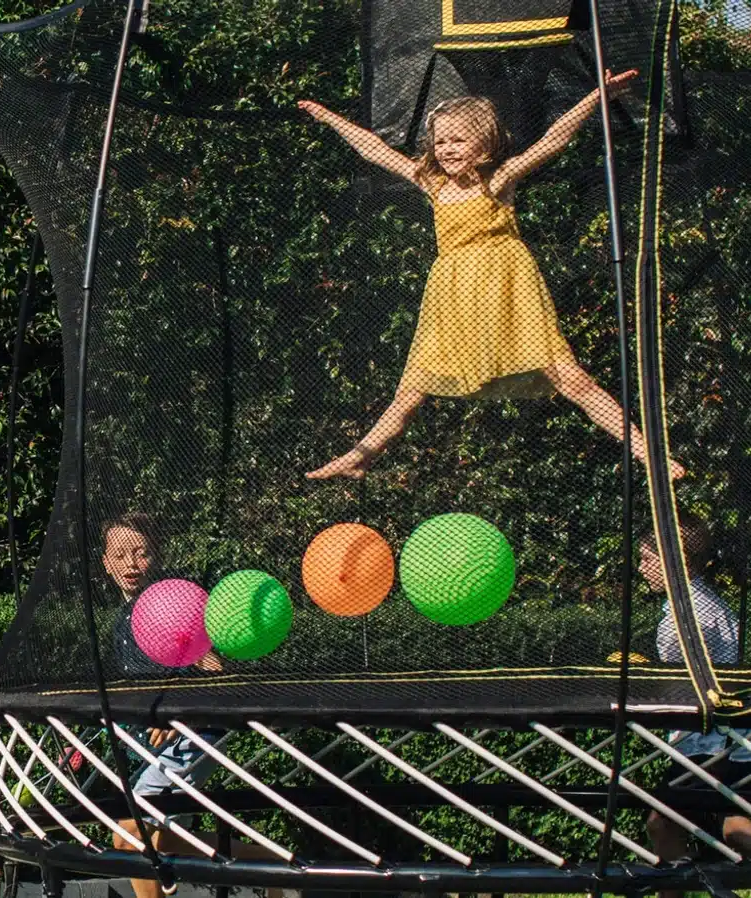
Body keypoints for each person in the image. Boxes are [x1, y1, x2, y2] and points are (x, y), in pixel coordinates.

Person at [296, 76, 686, 481]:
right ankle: (361, 454)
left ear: (483, 145)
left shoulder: (497, 182)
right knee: (412, 388)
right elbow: (374, 149)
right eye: (440, 142)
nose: (446, 149)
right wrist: (328, 118)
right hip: (454, 301)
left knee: (569, 377)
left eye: (457, 141)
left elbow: (554, 140)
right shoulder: (431, 184)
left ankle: (648, 456)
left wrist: (597, 97)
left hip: (509, 295)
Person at [97, 516, 283, 898]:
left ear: (156, 556)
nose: (131, 563)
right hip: (156, 745)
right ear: (105, 563)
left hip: (194, 737)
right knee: (160, 840)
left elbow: (213, 670)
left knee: (129, 834)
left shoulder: (174, 605)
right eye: (120, 555)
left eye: (141, 553)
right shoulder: (122, 620)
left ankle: (269, 866)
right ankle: (266, 863)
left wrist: (179, 713)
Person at [641, 511, 751, 894]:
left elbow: (687, 679)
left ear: (674, 559)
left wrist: (646, 678)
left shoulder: (687, 614)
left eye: (647, 558)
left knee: (663, 822)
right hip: (740, 742)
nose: (641, 568)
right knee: (736, 828)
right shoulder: (705, 602)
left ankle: (676, 889)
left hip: (708, 743)